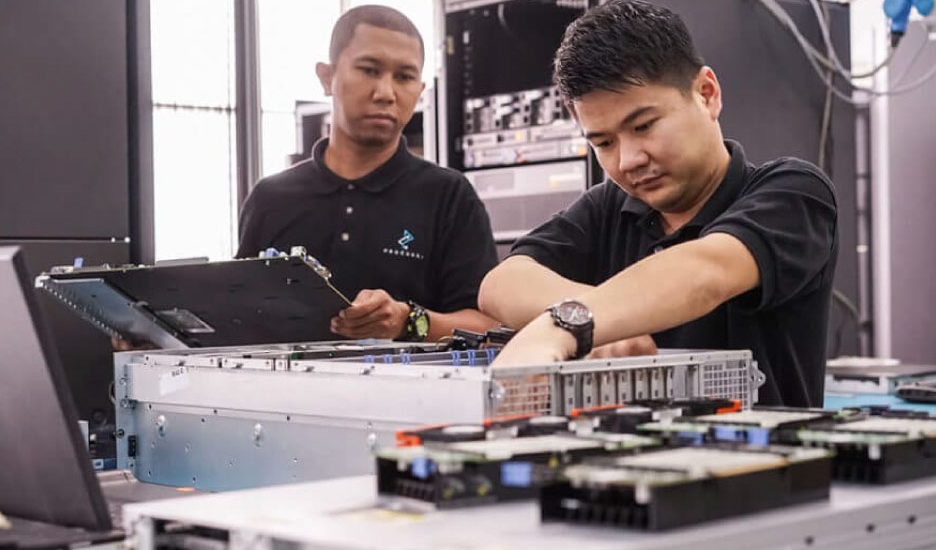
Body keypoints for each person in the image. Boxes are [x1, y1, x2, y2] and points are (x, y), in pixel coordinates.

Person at [478, 0, 838, 407]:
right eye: (603, 142)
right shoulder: (609, 208)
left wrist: (565, 327)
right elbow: (501, 284)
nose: (628, 159)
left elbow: (707, 271)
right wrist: (591, 319)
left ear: (706, 94)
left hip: (769, 463)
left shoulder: (794, 192)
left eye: (644, 126)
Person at [236, 5, 499, 343]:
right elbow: (238, 316)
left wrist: (409, 320)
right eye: (370, 70)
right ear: (327, 77)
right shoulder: (270, 198)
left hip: (412, 394)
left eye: (404, 77)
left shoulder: (449, 196)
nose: (386, 93)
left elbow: (489, 327)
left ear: (420, 90)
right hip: (278, 394)